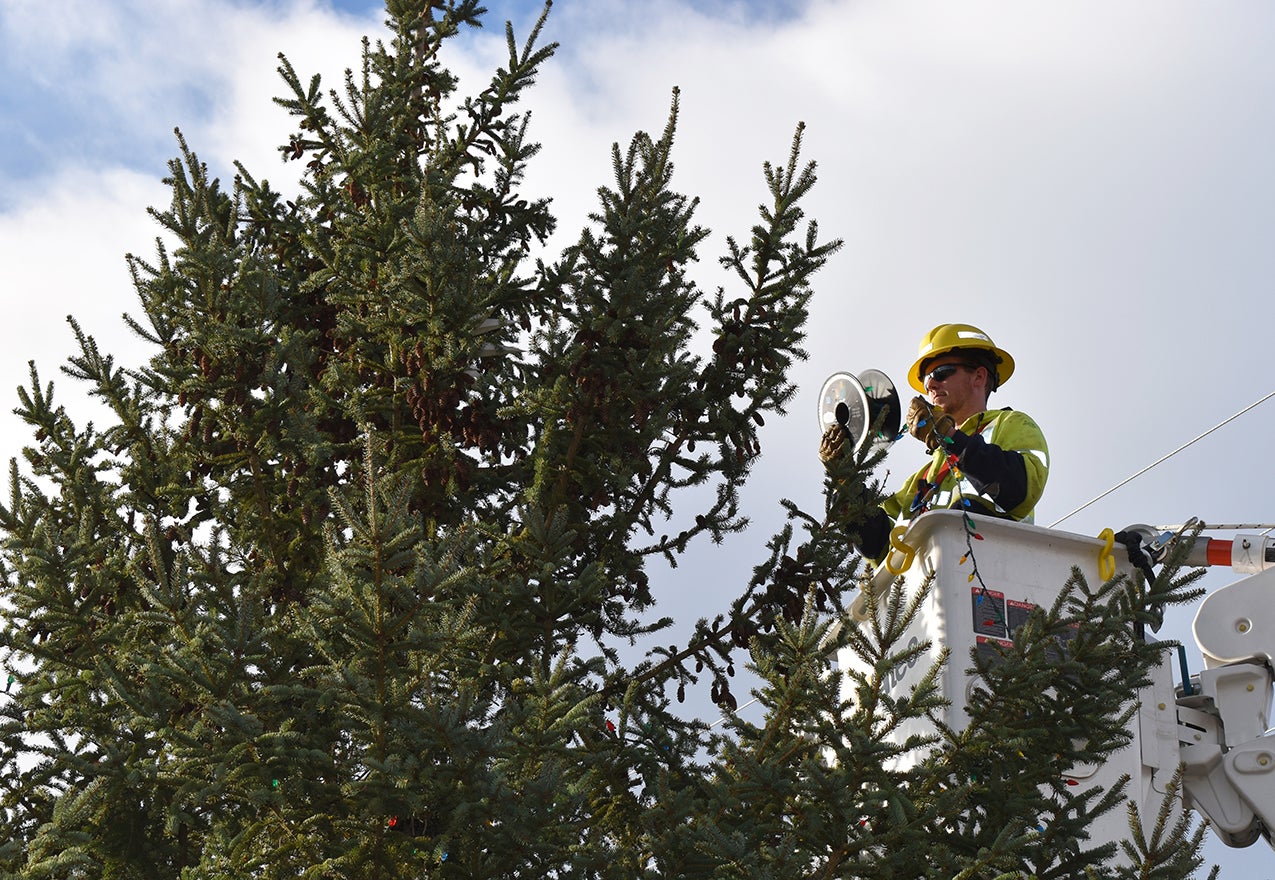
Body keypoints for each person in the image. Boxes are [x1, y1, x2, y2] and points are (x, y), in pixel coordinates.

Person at [820, 323, 1049, 562]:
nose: (930, 385)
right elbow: (879, 546)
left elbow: (1019, 488)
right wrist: (846, 480)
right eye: (926, 378)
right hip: (929, 593)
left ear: (979, 376)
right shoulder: (923, 479)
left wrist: (949, 436)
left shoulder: (1011, 425)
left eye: (941, 373)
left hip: (992, 574)